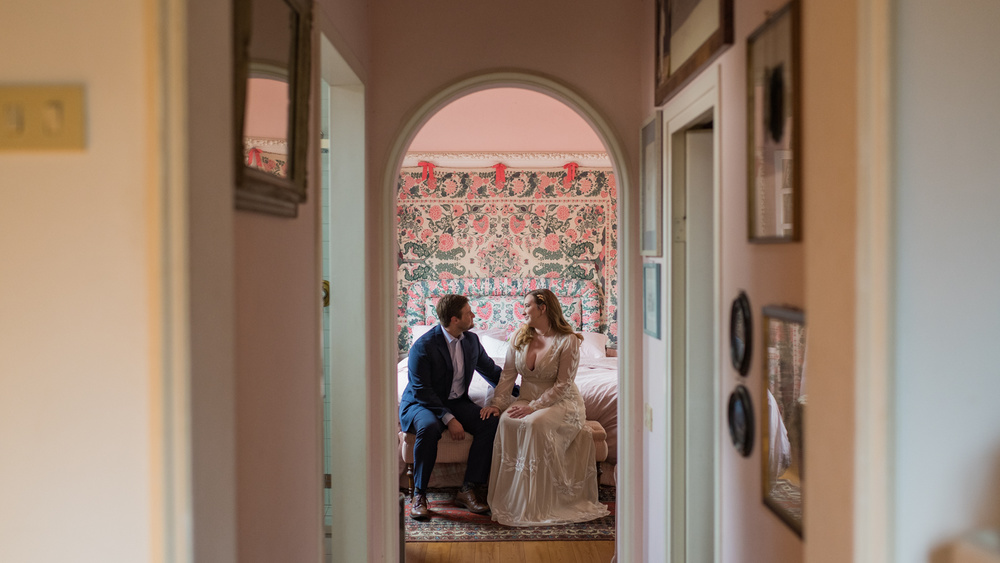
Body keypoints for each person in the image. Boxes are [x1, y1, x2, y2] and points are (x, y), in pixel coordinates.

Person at [480, 288, 610, 526]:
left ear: (543, 308)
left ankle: (536, 503)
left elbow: (563, 385)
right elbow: (508, 376)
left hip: (562, 401)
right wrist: (498, 404)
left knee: (534, 424)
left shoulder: (567, 340)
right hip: (526, 398)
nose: (523, 309)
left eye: (527, 305)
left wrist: (534, 407)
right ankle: (512, 500)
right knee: (507, 421)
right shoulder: (518, 337)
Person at [398, 294, 504, 521]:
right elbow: (422, 390)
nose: (473, 315)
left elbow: (492, 372)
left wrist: (522, 394)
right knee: (429, 427)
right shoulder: (423, 347)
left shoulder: (471, 341)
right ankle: (419, 494)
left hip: (456, 401)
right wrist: (448, 418)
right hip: (421, 403)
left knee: (490, 422)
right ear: (455, 319)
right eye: (468, 312)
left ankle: (468, 488)